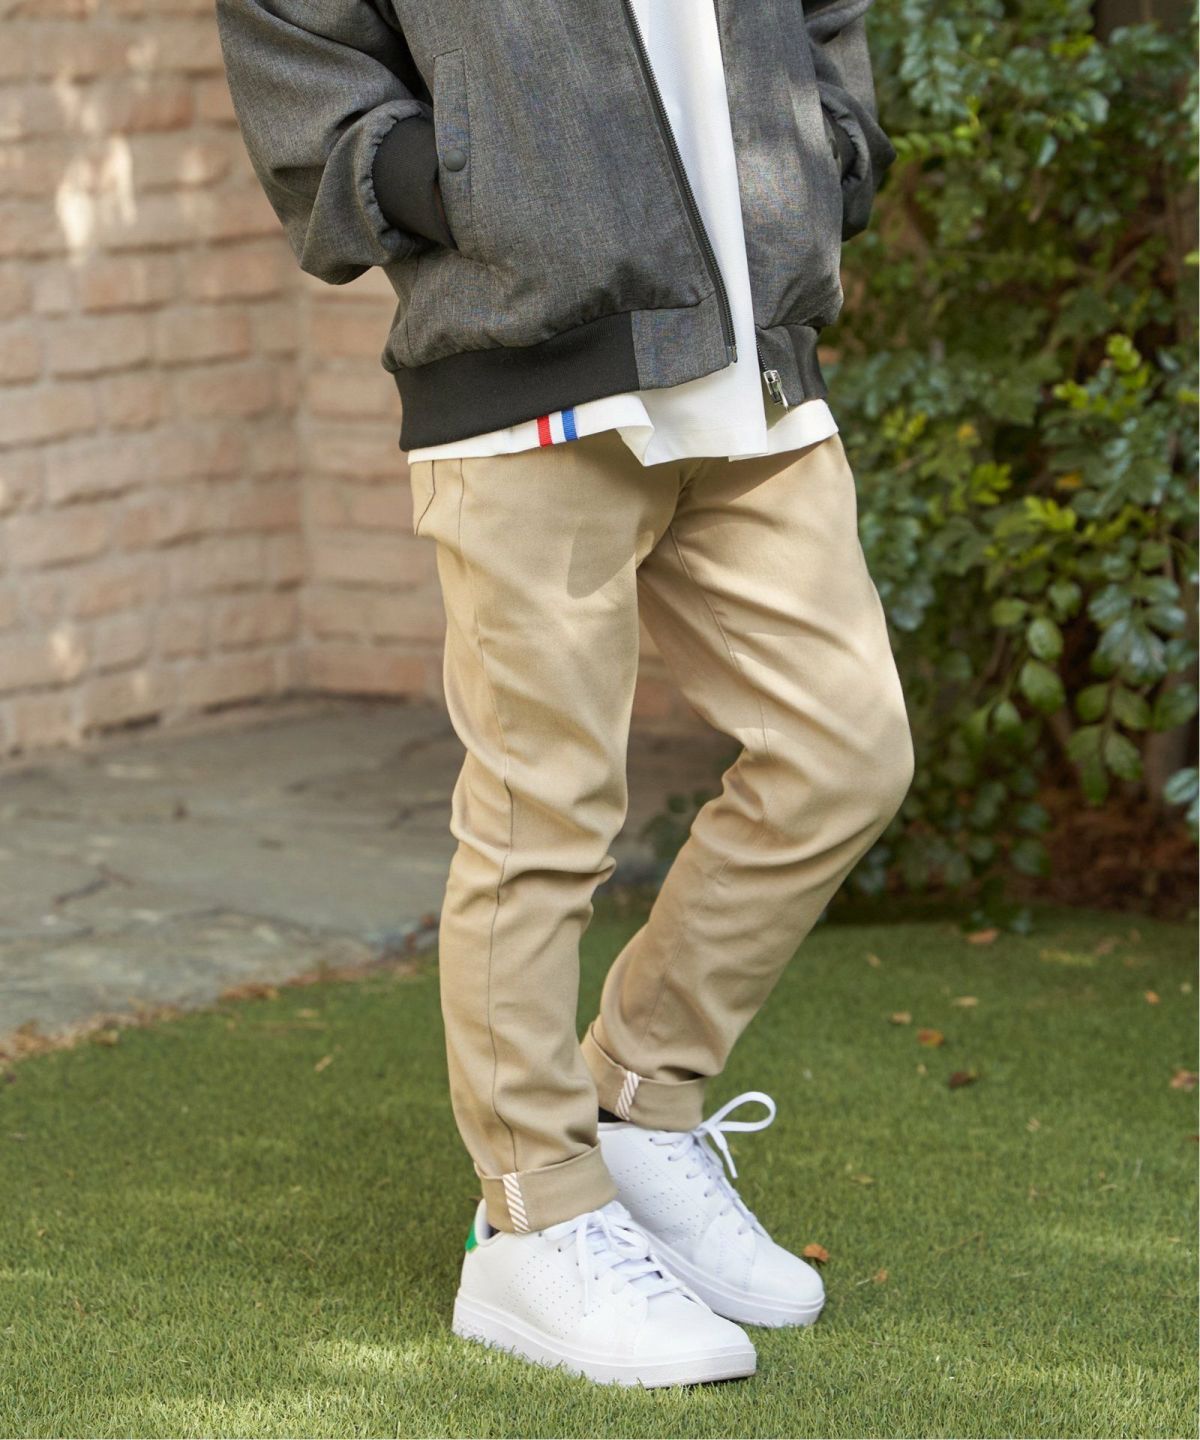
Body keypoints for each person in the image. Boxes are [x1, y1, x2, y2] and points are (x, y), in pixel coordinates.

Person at [217, 0, 913, 1389]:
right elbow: (297, 42)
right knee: (545, 815)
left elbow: (826, 21)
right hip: (521, 370)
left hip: (751, 356)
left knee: (846, 755)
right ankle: (529, 1215)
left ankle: (639, 1102)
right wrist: (471, 178)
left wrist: (827, 145)